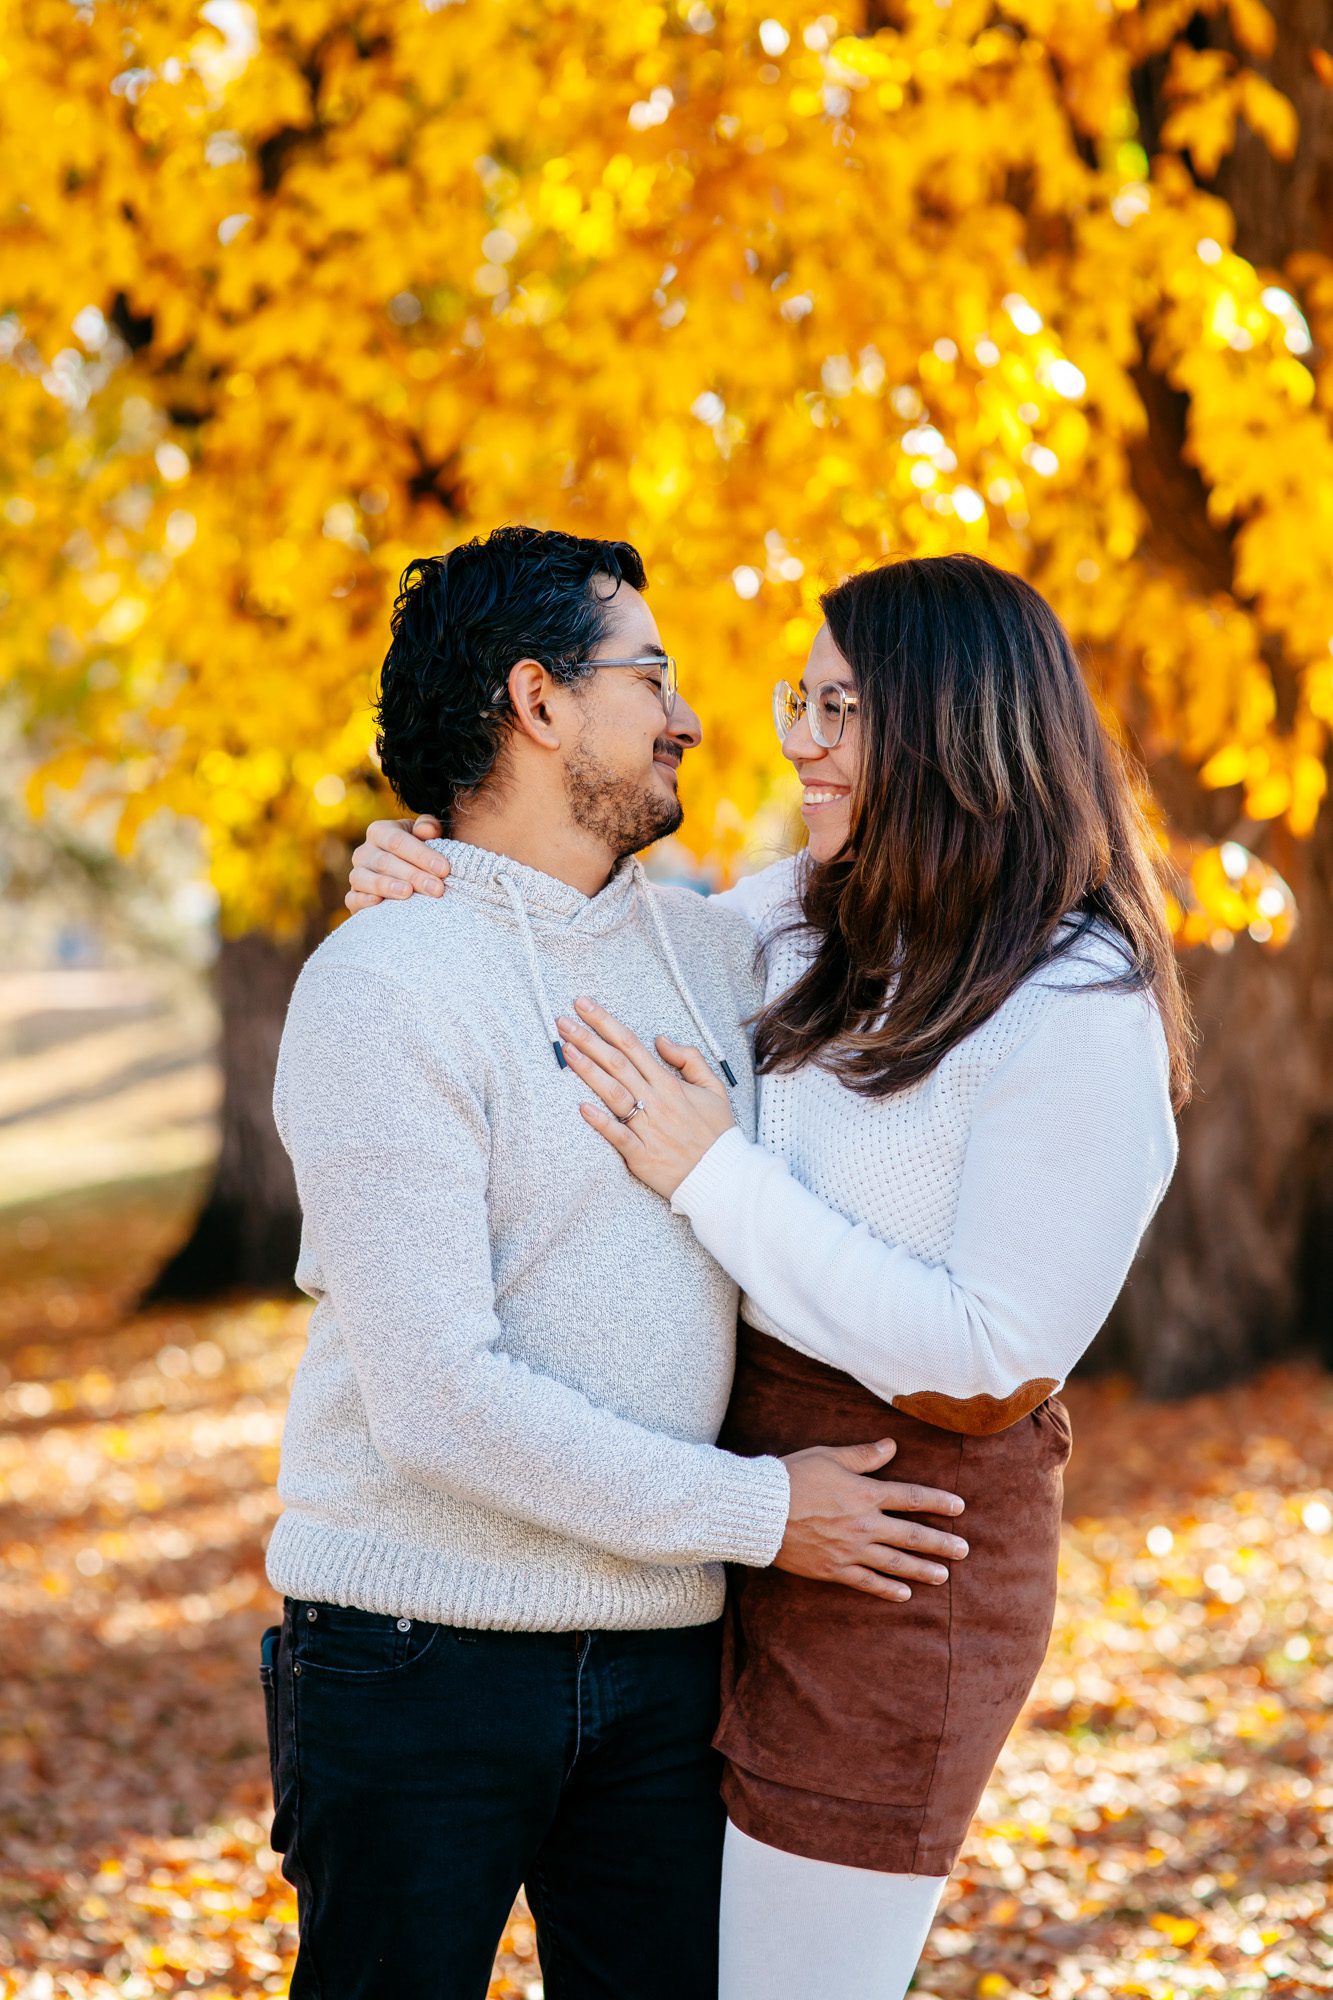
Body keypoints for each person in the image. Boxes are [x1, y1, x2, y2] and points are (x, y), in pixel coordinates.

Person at [347, 550, 1189, 1999]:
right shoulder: (807, 918)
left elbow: (991, 1355)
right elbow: (575, 939)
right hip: (728, 1534)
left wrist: (711, 1175)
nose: (796, 734)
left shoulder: (1074, 1006)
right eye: (799, 698)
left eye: (840, 709)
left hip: (900, 1536)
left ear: (954, 726)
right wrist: (422, 872)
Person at [264, 526, 971, 2000]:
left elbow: (945, 900)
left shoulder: (719, 956)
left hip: (664, 1664)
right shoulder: (383, 983)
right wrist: (762, 1512)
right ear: (536, 702)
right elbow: (437, 1404)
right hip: (415, 1658)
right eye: (648, 673)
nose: (689, 713)